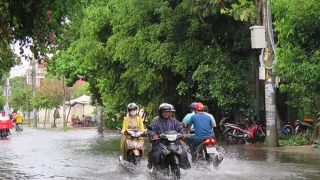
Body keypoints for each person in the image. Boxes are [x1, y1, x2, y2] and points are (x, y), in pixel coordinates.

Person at [147, 103, 191, 170]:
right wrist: (154, 135)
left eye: (168, 112)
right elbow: (151, 129)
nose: (166, 113)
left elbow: (180, 128)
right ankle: (156, 169)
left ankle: (185, 168)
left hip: (174, 142)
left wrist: (183, 133)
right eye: (164, 112)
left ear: (170, 112)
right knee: (157, 154)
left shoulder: (174, 121)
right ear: (160, 112)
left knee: (183, 152)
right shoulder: (156, 122)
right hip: (161, 142)